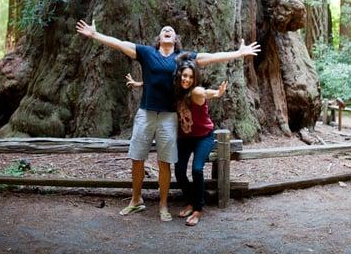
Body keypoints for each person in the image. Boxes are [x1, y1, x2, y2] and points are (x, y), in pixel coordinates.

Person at [76, 20, 260, 221]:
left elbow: (210, 58)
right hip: (145, 113)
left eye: (171, 30)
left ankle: (163, 205)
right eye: (164, 29)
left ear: (175, 40)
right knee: (137, 158)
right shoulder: (147, 53)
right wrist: (95, 35)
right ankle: (136, 200)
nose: (167, 30)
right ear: (159, 38)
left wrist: (238, 53)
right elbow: (120, 43)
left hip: (168, 117)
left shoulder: (181, 58)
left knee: (164, 161)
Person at [126, 53, 226, 227]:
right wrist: (139, 84)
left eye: (190, 77)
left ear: (195, 78)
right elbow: (156, 85)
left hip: (203, 137)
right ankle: (190, 201)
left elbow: (205, 92)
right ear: (180, 75)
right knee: (179, 171)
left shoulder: (196, 91)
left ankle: (198, 209)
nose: (187, 79)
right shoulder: (176, 90)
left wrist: (217, 93)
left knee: (196, 170)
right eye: (184, 76)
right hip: (185, 138)